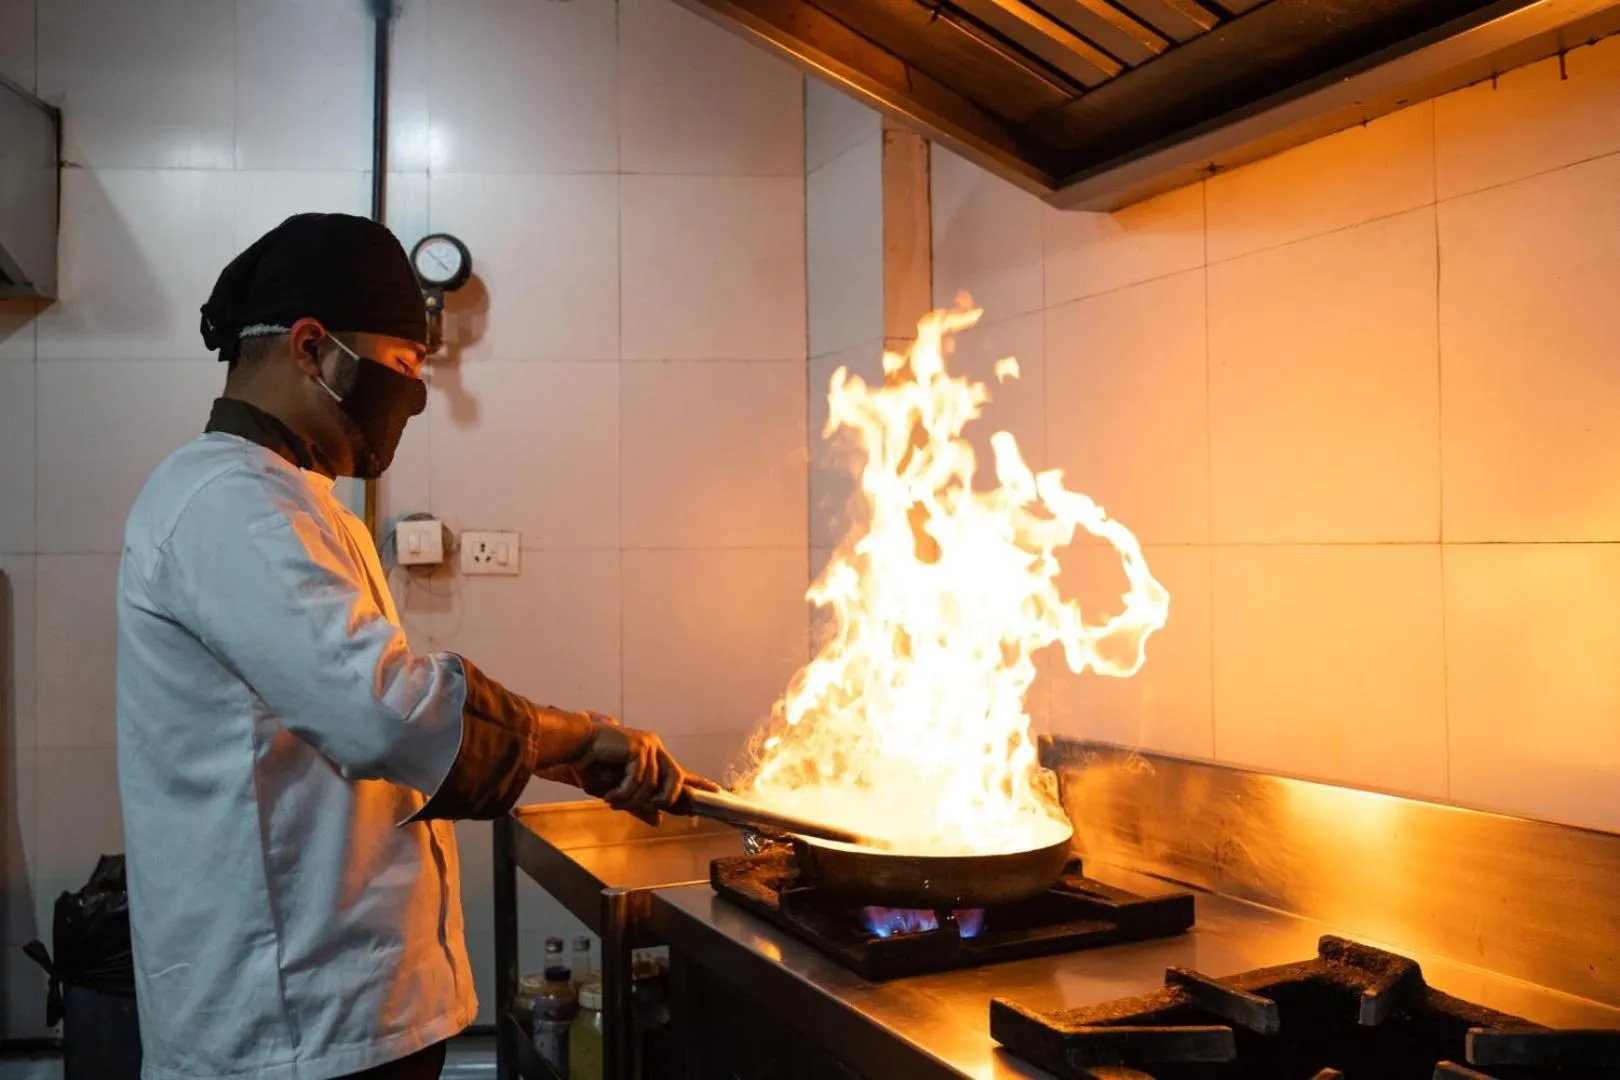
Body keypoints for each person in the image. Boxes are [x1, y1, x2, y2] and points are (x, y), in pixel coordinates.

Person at [115, 213, 708, 1080]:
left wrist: (557, 747)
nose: (411, 403)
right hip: (290, 1028)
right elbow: (384, 714)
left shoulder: (290, 497)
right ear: (313, 348)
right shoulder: (228, 504)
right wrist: (579, 736)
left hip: (339, 1010)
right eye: (398, 371)